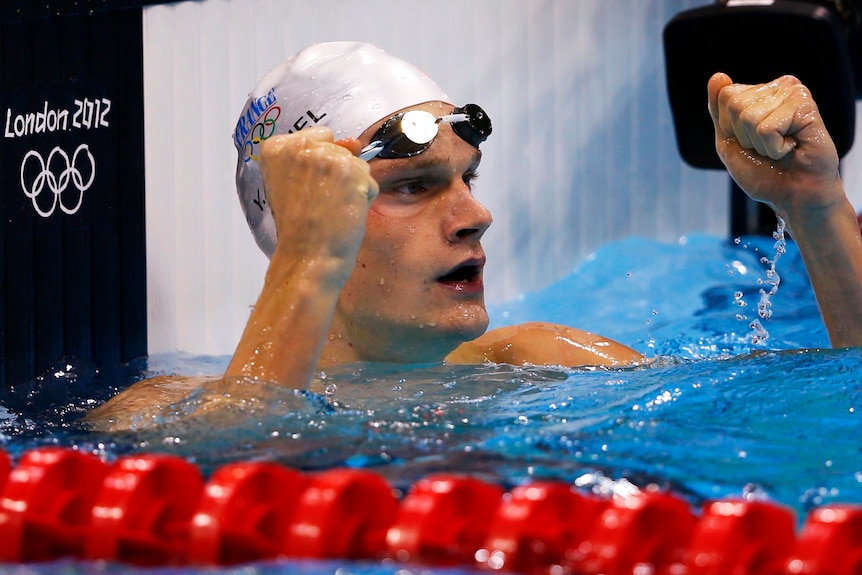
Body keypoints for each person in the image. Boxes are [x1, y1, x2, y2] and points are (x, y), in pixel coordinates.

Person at [86, 42, 862, 431]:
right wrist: (308, 260)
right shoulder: (157, 411)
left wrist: (818, 210)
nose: (473, 214)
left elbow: (833, 410)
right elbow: (224, 484)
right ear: (303, 221)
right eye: (414, 186)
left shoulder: (540, 364)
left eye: (468, 178)